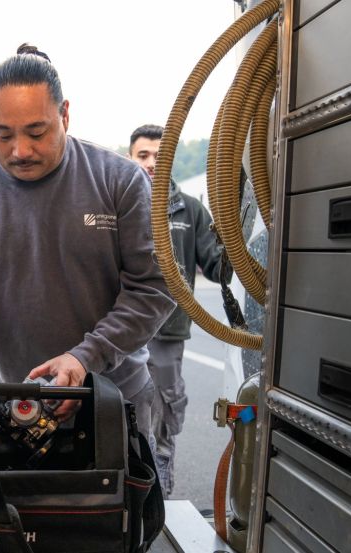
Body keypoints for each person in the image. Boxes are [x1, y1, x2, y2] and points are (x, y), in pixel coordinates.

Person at [0, 45, 175, 442]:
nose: (20, 150)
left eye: (37, 132)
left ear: (64, 114)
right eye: (2, 135)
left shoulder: (120, 182)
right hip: (7, 406)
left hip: (114, 401)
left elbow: (154, 287)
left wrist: (85, 358)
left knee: (119, 505)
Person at [128, 124, 226, 497]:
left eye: (159, 155)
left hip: (167, 331)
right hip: (120, 334)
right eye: (143, 155)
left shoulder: (191, 209)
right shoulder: (113, 203)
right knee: (124, 408)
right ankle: (130, 480)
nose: (152, 163)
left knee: (166, 406)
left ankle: (162, 476)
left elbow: (217, 266)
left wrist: (236, 234)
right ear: (130, 158)